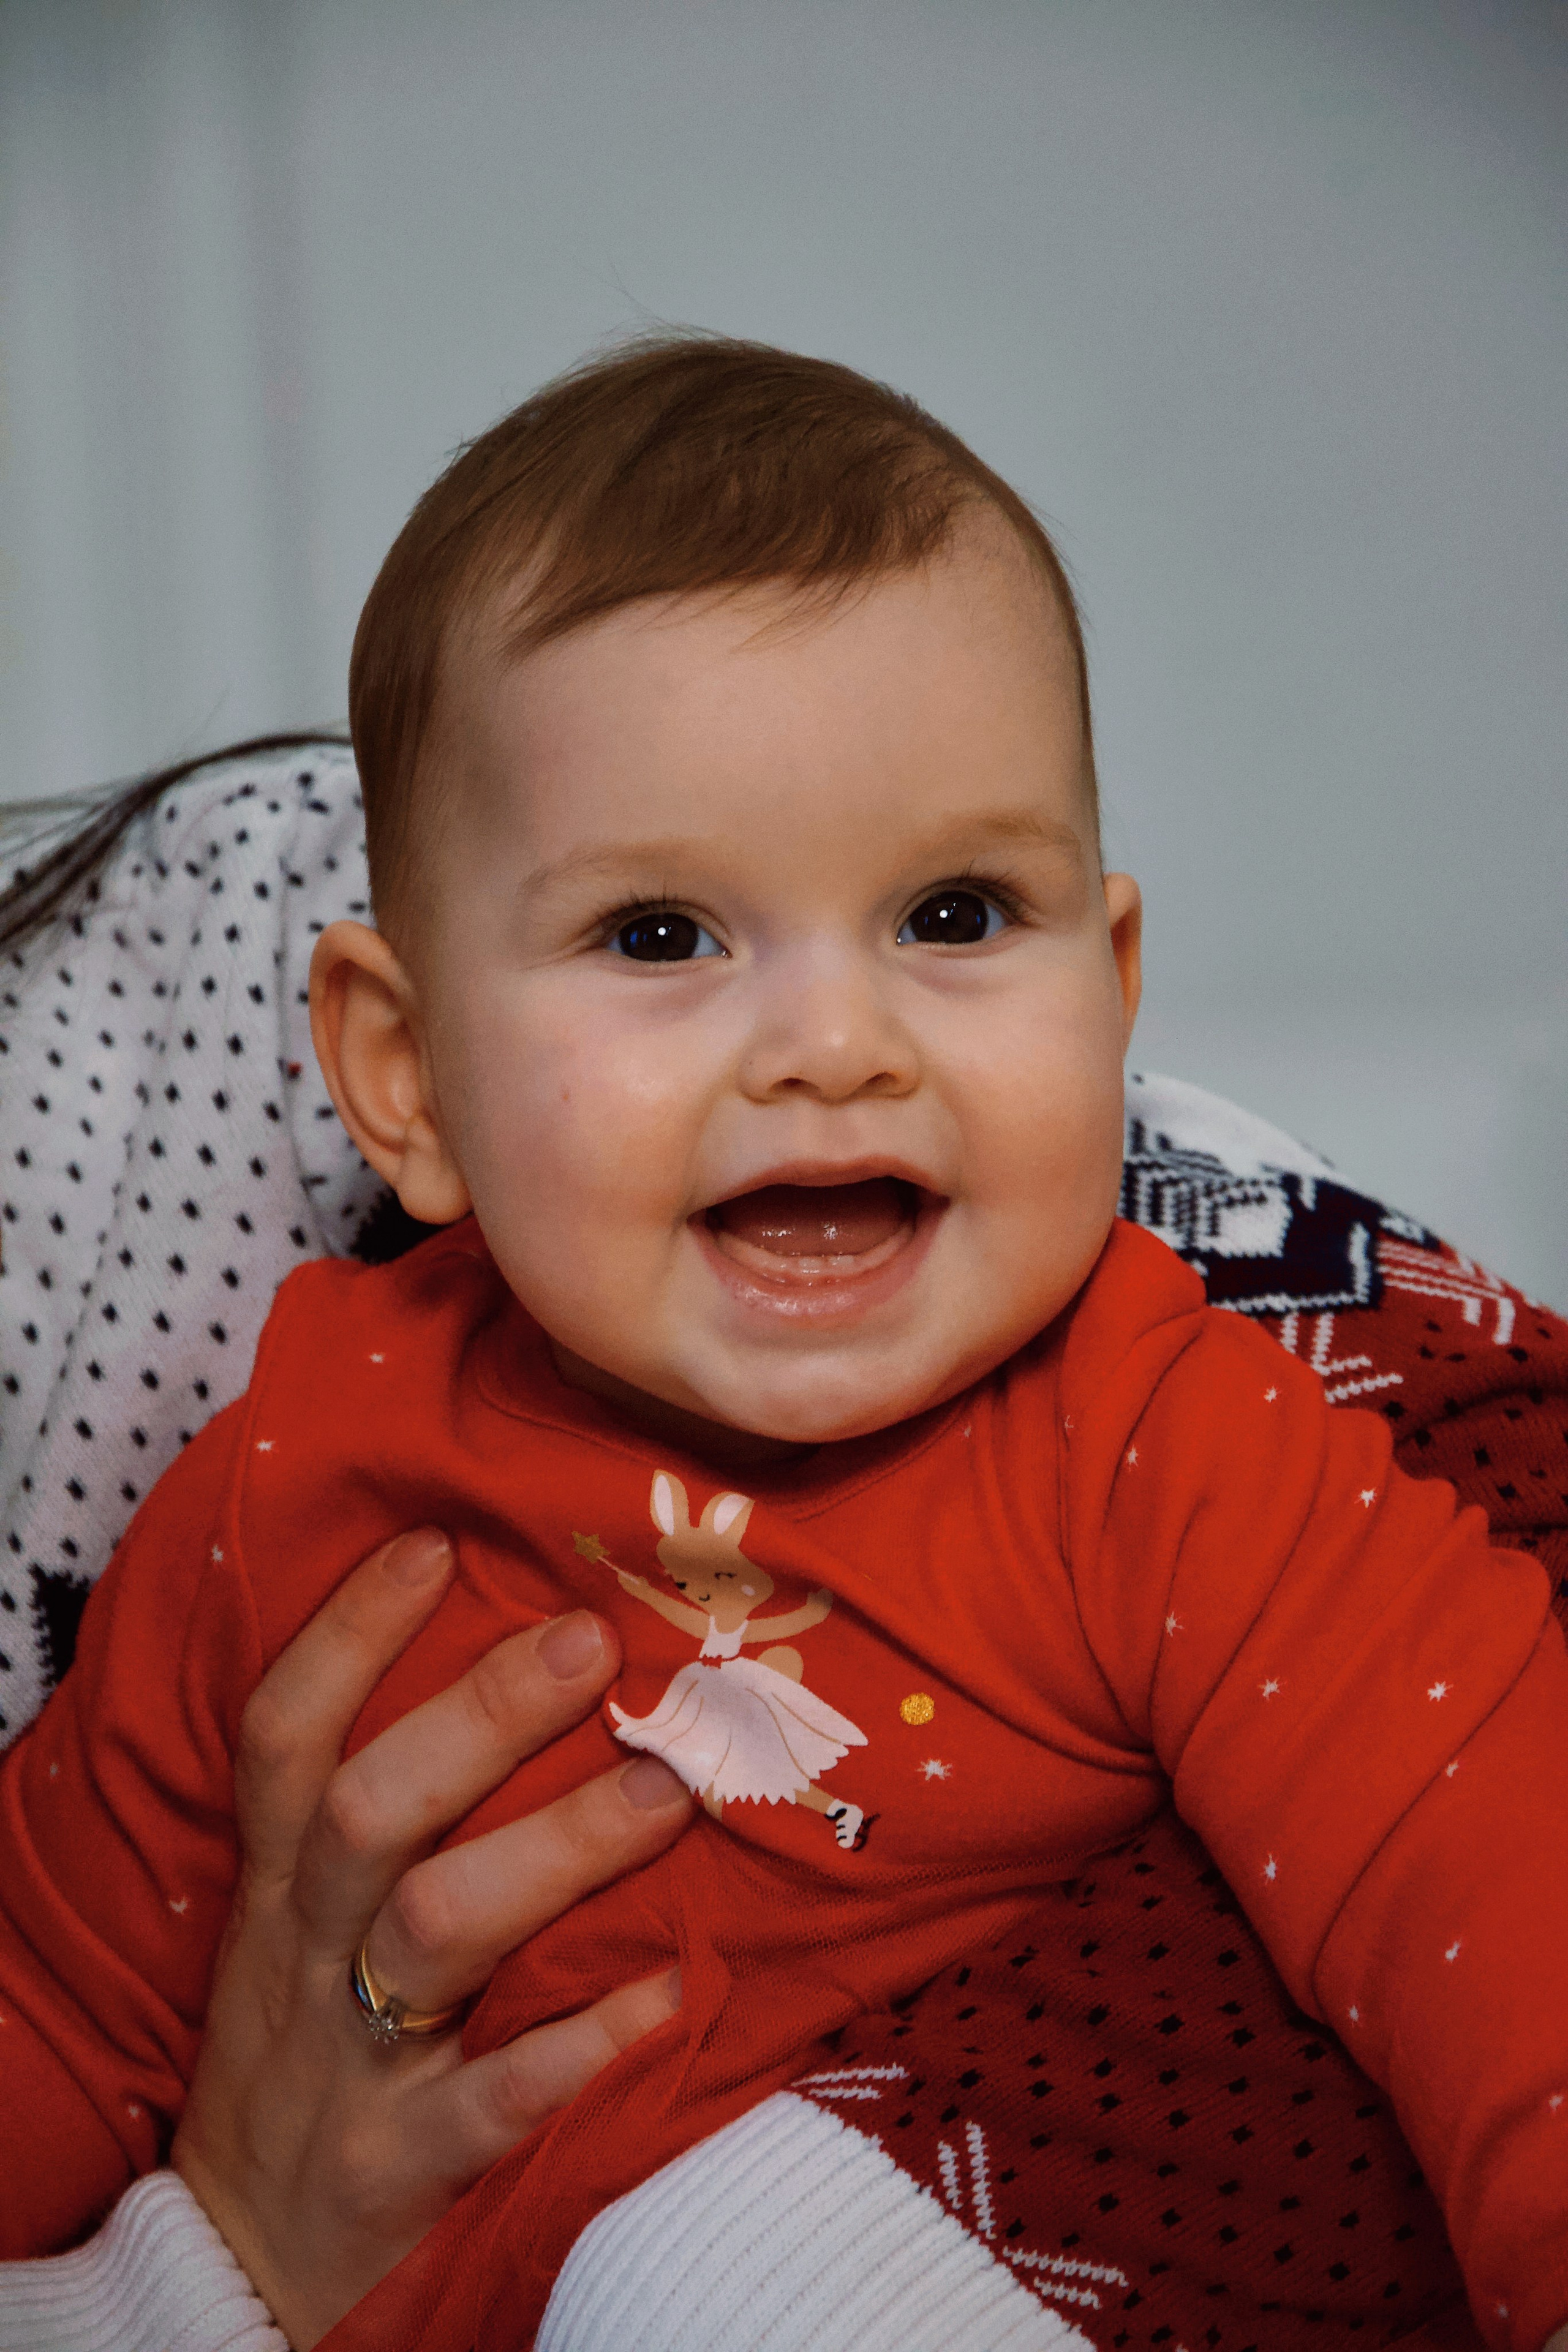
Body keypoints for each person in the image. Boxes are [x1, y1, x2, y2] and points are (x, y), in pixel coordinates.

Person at [2, 337, 1566, 2352]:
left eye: (953, 913)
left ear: (1112, 990)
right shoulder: (306, 1462)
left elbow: (1485, 1870)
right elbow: (55, 2004)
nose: (838, 1044)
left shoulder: (1149, 1435)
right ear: (402, 1080)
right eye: (663, 935)